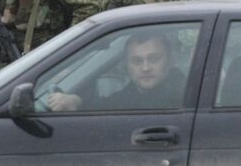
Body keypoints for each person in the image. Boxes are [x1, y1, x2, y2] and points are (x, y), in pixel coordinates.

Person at [46, 29, 188, 112]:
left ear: (170, 61)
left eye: (154, 59)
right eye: (137, 61)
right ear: (126, 65)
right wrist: (77, 102)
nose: (145, 68)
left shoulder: (184, 92)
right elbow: (110, 106)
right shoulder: (134, 92)